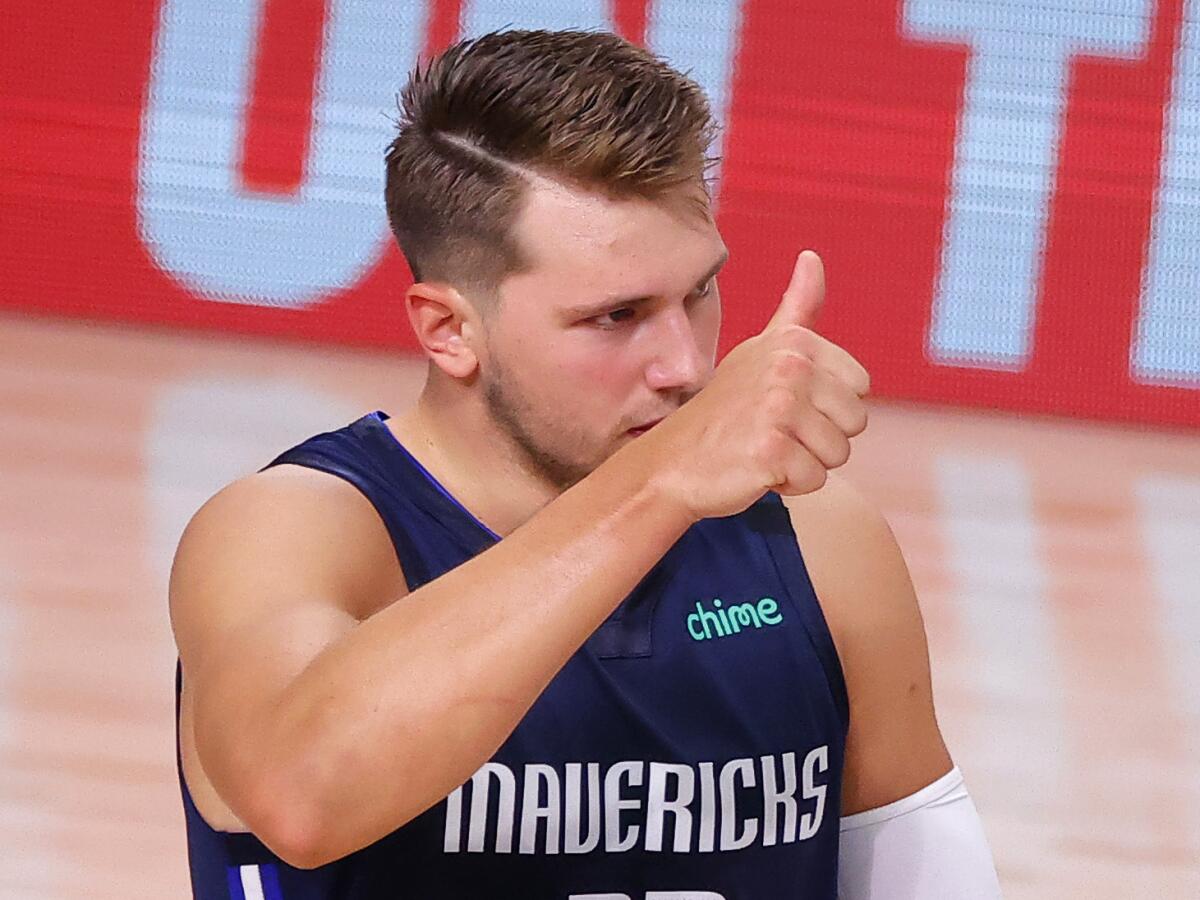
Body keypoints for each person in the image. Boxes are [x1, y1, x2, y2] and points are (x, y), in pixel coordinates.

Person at [169, 29, 1001, 900]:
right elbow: (303, 801)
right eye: (617, 316)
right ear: (448, 328)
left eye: (699, 292)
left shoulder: (820, 544)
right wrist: (662, 481)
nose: (683, 365)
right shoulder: (294, 529)